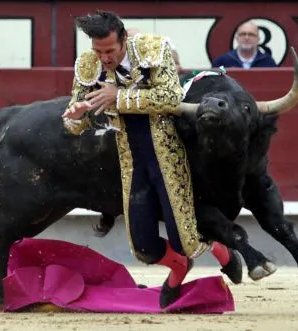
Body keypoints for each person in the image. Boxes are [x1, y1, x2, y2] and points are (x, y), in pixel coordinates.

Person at [61, 11, 232, 309]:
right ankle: (179, 268)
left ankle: (220, 248)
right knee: (143, 248)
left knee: (186, 242)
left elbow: (170, 97)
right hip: (132, 161)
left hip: (167, 153)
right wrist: (77, 116)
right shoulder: (88, 64)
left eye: (110, 51)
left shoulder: (155, 49)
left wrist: (119, 96)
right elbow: (77, 119)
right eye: (98, 51)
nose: (104, 58)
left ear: (124, 40)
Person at [211, 20, 277, 69]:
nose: (246, 38)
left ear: (258, 39)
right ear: (237, 38)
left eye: (251, 34)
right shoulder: (222, 62)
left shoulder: (268, 62)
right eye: (243, 34)